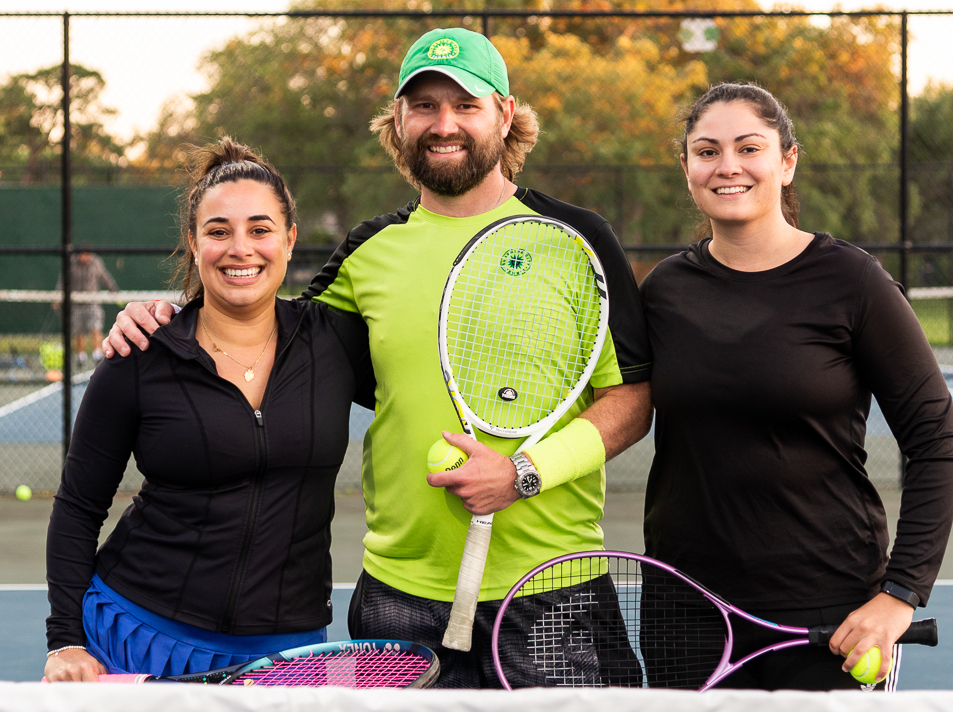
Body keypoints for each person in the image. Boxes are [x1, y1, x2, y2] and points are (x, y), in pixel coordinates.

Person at [102, 28, 652, 688]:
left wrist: (523, 472)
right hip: (401, 595)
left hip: (551, 589)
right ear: (398, 120)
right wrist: (164, 317)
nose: (442, 124)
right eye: (422, 106)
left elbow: (630, 400)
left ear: (505, 115)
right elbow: (263, 326)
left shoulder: (579, 239)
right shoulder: (364, 253)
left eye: (465, 105)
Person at [639, 83, 953, 691]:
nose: (727, 166)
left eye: (749, 147)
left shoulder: (853, 282)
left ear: (786, 162)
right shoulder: (665, 290)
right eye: (706, 151)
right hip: (684, 608)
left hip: (828, 611)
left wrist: (899, 595)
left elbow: (937, 439)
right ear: (686, 167)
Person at [44, 138, 374, 682]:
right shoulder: (139, 352)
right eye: (218, 231)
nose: (240, 248)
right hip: (139, 634)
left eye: (260, 229)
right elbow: (79, 506)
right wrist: (65, 642)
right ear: (194, 244)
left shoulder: (334, 340)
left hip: (284, 653)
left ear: (289, 241)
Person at [53, 250, 119, 367]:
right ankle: (81, 357)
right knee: (78, 331)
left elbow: (104, 277)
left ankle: (97, 355)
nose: (84, 258)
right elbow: (63, 281)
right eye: (82, 255)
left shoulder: (96, 262)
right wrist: (58, 297)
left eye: (87, 255)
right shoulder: (71, 263)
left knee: (95, 328)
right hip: (76, 304)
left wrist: (113, 290)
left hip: (93, 303)